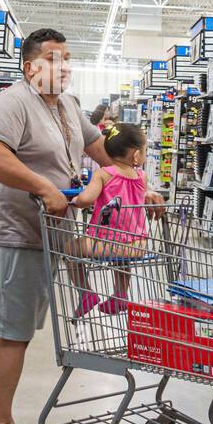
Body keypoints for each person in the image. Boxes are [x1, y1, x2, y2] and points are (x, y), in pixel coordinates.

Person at [0, 29, 149, 424]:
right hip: (16, 230)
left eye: (67, 58)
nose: (63, 65)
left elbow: (98, 148)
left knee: (13, 323)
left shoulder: (66, 104)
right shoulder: (12, 102)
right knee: (14, 332)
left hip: (49, 232)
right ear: (30, 67)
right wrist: (42, 187)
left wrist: (135, 180)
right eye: (53, 58)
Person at [68, 122, 149, 318]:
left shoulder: (104, 174)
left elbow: (87, 199)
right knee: (122, 262)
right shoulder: (142, 176)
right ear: (136, 156)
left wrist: (76, 200)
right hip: (137, 244)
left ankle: (86, 293)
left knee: (70, 249)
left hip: (105, 242)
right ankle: (120, 295)